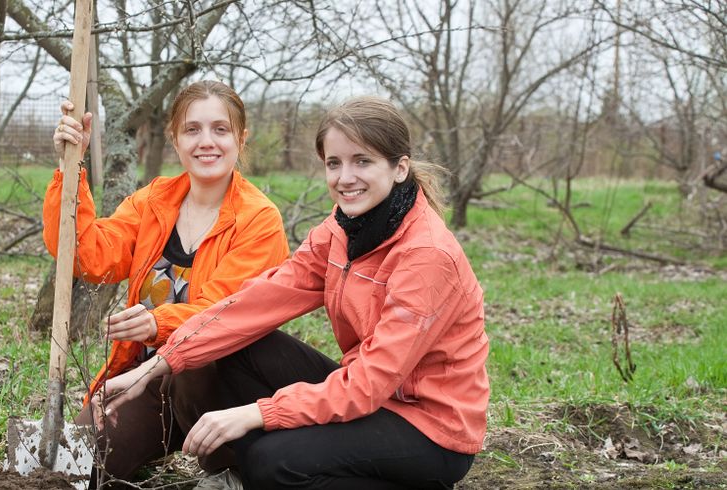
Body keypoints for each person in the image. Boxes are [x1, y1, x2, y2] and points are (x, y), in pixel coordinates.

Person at [100, 96, 489, 489]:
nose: (345, 177)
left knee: (274, 463)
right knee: (232, 350)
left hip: (428, 425)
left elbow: (371, 383)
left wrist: (259, 413)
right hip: (368, 394)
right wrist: (163, 360)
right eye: (334, 163)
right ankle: (260, 465)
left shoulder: (427, 256)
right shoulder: (341, 231)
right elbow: (260, 301)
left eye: (363, 161)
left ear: (399, 167)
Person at [44, 80, 290, 485]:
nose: (206, 142)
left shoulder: (258, 220)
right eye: (192, 130)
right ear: (175, 139)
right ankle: (146, 439)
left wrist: (158, 324)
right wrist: (71, 167)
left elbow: (223, 313)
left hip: (214, 386)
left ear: (240, 139)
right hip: (142, 379)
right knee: (71, 470)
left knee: (202, 362)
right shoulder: (155, 201)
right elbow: (88, 255)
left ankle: (234, 469)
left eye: (220, 129)